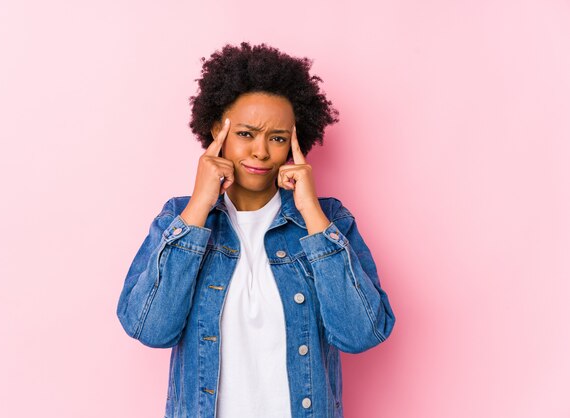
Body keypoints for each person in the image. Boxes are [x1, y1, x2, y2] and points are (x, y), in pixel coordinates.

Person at [116, 42, 396, 418]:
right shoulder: (179, 219)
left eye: (278, 138)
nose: (261, 151)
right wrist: (200, 203)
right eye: (246, 133)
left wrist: (310, 210)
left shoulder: (330, 221)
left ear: (295, 144)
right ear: (218, 130)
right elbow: (150, 328)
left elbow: (361, 333)